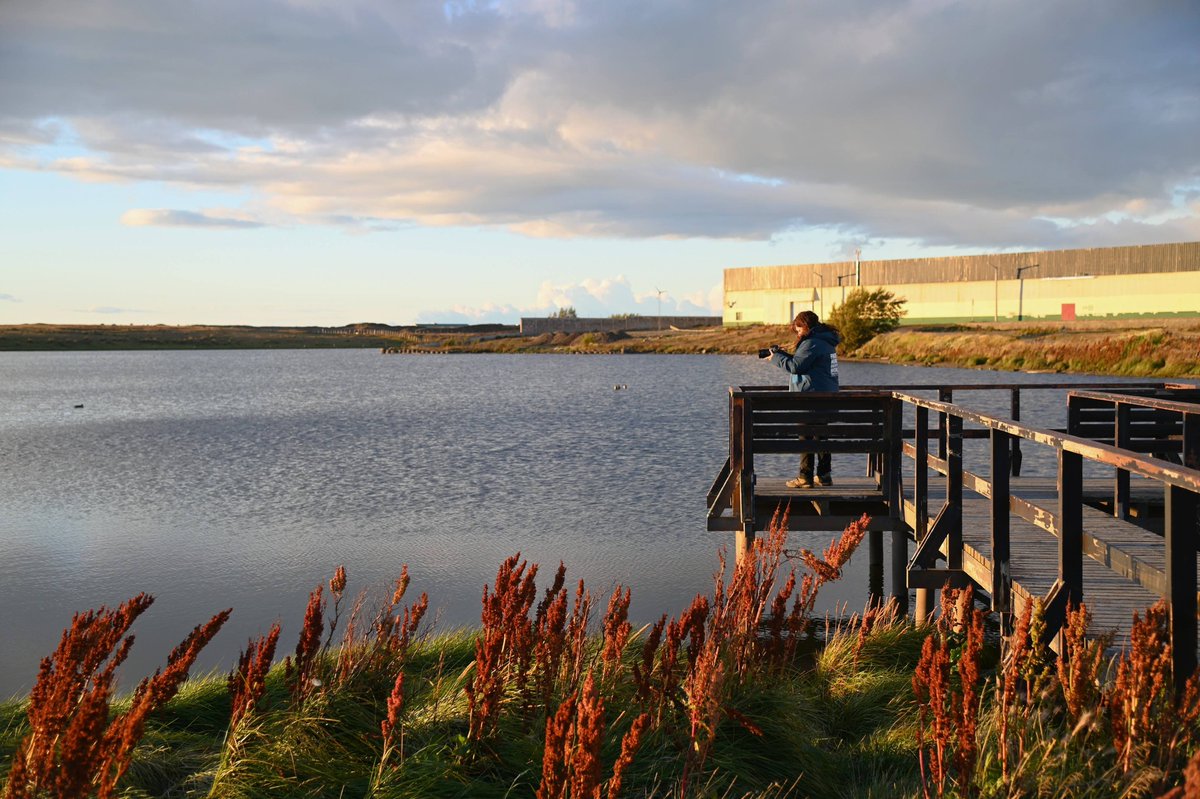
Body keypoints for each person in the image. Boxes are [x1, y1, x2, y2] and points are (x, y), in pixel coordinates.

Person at [767, 310, 841, 488]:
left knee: (806, 436)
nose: (798, 333)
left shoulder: (812, 342)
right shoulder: (825, 341)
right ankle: (824, 475)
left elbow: (796, 367)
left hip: (810, 399)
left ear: (806, 326)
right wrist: (781, 355)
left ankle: (805, 477)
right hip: (826, 397)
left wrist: (776, 358)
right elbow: (804, 362)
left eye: (799, 329)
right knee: (821, 436)